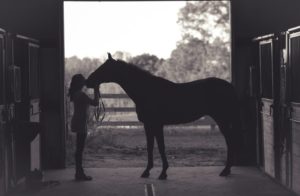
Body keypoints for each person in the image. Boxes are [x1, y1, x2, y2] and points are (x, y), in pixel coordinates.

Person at [68, 74, 99, 181]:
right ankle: (79, 173)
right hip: (81, 123)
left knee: (79, 149)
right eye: (83, 81)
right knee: (80, 149)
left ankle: (79, 172)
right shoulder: (81, 95)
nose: (84, 82)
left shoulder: (76, 94)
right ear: (80, 83)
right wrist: (96, 89)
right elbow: (96, 103)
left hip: (77, 121)